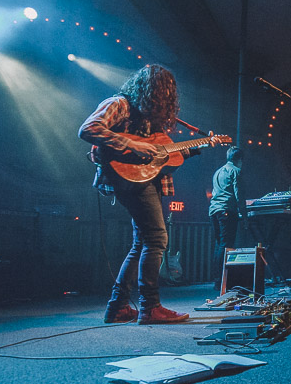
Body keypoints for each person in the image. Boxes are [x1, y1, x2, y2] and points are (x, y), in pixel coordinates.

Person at [79, 63, 212, 324]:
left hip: (146, 180)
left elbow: (165, 155)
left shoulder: (152, 120)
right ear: (153, 90)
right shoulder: (119, 103)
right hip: (127, 179)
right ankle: (150, 306)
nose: (168, 99)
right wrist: (131, 144)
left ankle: (117, 307)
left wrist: (198, 146)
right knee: (157, 238)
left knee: (142, 242)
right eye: (165, 92)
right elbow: (88, 129)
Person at [209, 146, 243, 291]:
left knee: (219, 245)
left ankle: (218, 281)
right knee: (227, 245)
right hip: (227, 211)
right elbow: (239, 194)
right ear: (239, 160)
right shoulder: (236, 171)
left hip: (214, 211)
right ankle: (225, 281)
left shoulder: (217, 171)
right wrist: (244, 214)